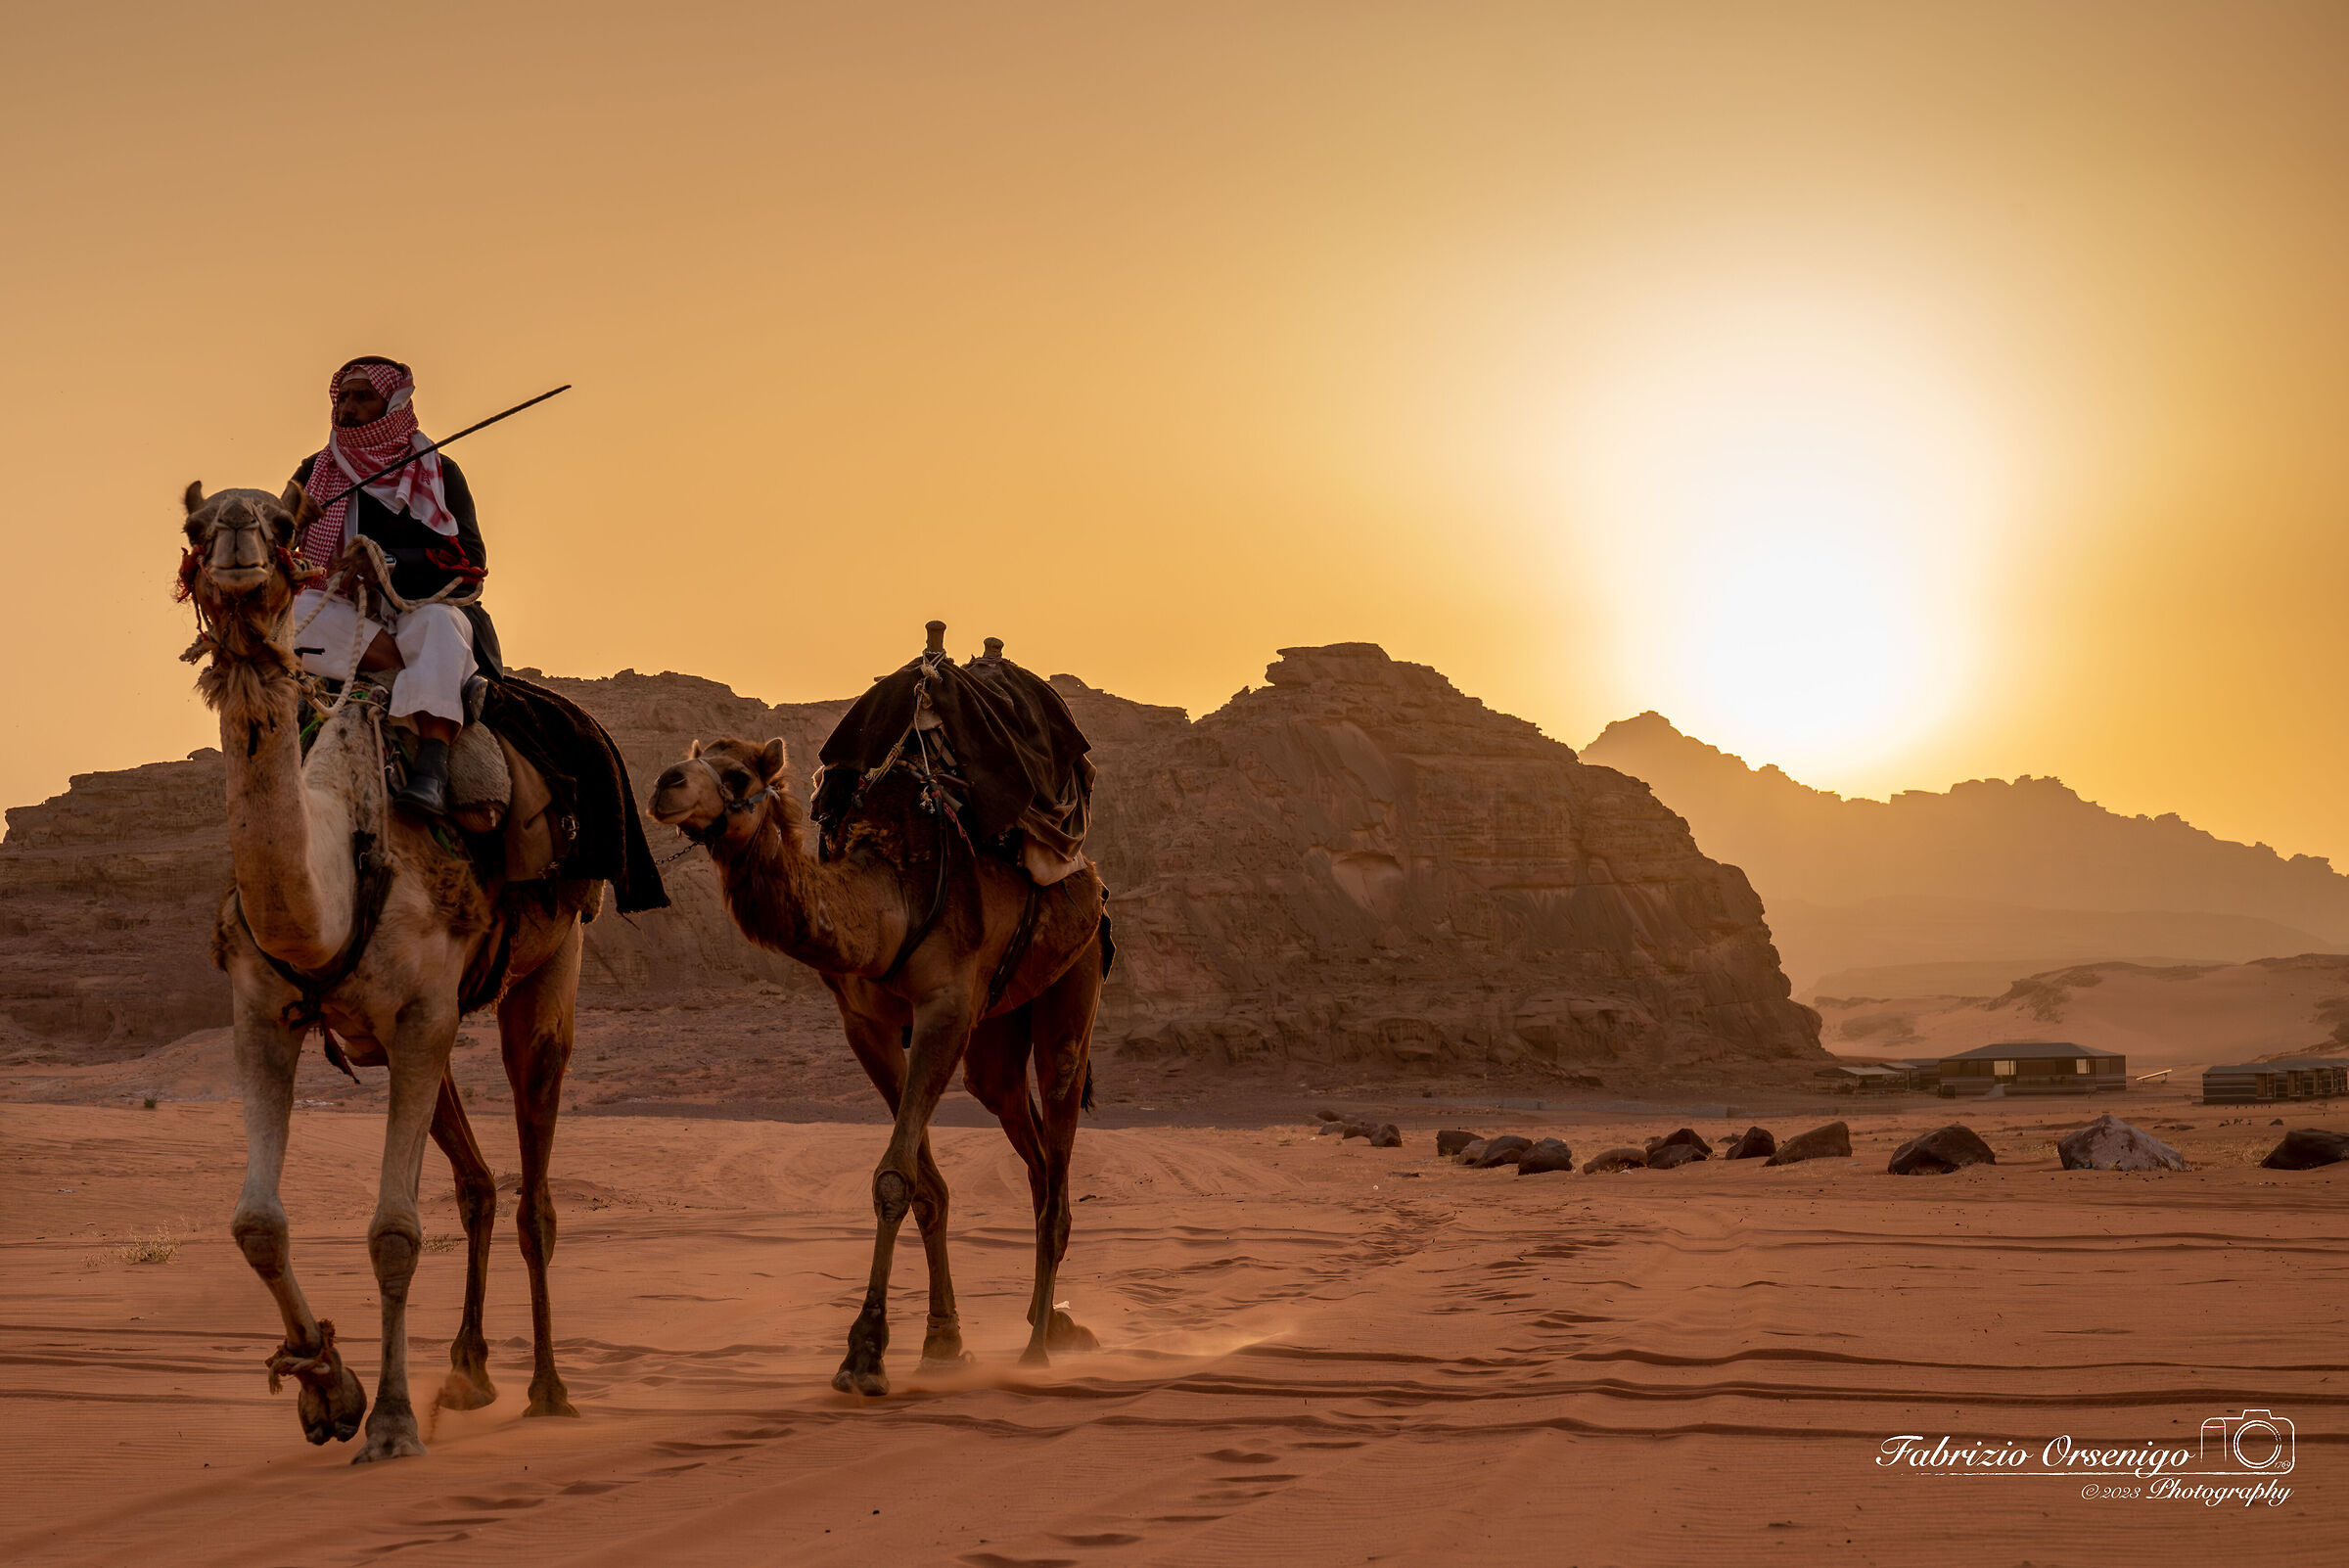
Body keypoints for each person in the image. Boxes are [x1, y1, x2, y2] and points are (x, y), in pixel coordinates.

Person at [288, 357, 499, 816]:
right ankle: (420, 674)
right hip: (344, 613)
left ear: (394, 405)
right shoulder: (315, 472)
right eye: (343, 397)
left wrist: (385, 562)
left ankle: (432, 769)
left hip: (420, 606)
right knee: (292, 617)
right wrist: (287, 527)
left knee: (438, 625)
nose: (347, 408)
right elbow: (280, 553)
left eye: (363, 397)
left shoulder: (438, 470)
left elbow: (470, 561)